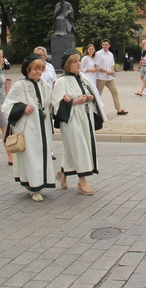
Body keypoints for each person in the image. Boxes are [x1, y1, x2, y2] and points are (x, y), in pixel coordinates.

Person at [52, 50, 107, 195]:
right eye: (74, 61)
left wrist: (90, 98)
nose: (78, 64)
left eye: (78, 61)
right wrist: (74, 101)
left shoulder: (82, 77)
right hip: (71, 120)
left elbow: (92, 94)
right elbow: (56, 105)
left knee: (74, 149)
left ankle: (63, 173)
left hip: (85, 117)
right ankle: (82, 182)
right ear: (67, 65)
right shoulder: (61, 82)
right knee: (80, 147)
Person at [2, 54, 55, 202]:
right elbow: (7, 105)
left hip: (43, 126)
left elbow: (51, 103)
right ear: (28, 70)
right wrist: (22, 108)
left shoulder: (45, 85)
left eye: (40, 69)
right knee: (32, 155)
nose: (37, 72)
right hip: (28, 127)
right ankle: (34, 187)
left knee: (43, 154)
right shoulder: (20, 86)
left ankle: (42, 181)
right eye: (34, 69)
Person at [95, 39, 128, 116]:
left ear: (109, 45)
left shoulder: (110, 54)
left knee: (115, 92)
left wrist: (112, 71)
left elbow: (112, 65)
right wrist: (106, 71)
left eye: (106, 45)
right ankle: (96, 110)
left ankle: (119, 109)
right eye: (103, 44)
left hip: (109, 78)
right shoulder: (98, 54)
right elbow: (97, 66)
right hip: (101, 77)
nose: (105, 46)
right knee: (98, 94)